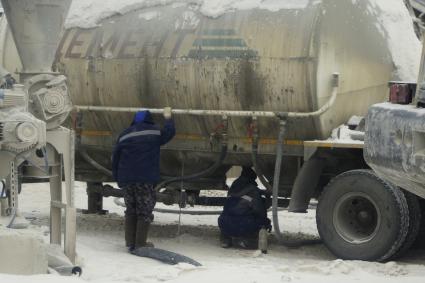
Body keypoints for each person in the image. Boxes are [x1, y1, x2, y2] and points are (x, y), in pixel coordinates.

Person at [112, 107, 175, 252]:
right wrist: (168, 118)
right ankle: (140, 244)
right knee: (144, 210)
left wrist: (117, 177)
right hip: (144, 178)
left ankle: (130, 242)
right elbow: (169, 133)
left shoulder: (124, 134)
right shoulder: (154, 132)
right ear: (149, 119)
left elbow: (115, 158)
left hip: (127, 179)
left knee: (131, 209)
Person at [218, 167, 272, 249]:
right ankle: (245, 240)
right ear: (252, 180)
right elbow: (261, 212)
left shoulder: (232, 189)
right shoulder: (253, 192)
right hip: (243, 226)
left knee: (229, 216)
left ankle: (226, 239)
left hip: (224, 223)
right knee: (263, 221)